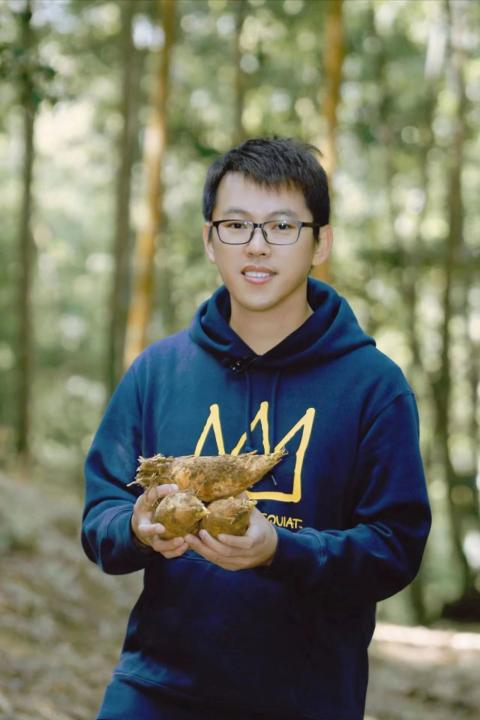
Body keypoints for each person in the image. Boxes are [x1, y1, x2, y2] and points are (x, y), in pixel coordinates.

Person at [82, 137, 431, 720]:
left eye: (283, 227)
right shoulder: (158, 372)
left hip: (307, 700)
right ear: (209, 241)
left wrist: (282, 550)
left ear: (321, 242)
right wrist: (139, 529)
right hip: (157, 688)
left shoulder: (374, 386)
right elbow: (100, 517)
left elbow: (395, 547)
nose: (258, 247)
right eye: (237, 225)